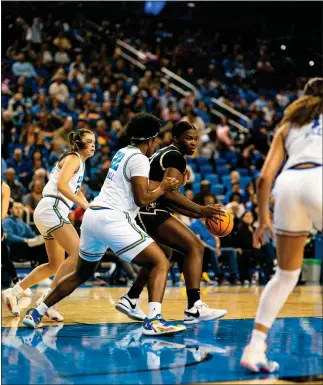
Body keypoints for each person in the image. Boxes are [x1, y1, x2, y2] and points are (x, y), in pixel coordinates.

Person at [22, 113, 185, 336]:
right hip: (113, 218)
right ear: (151, 139)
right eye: (155, 140)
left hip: (93, 216)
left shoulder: (122, 152)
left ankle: (37, 311)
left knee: (81, 273)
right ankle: (154, 320)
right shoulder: (138, 158)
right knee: (161, 262)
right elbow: (142, 198)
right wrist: (164, 188)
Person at [241, 78, 323, 372]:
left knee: (286, 275)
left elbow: (264, 178)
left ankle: (255, 347)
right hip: (319, 177)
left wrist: (264, 219)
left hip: (287, 185)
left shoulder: (287, 128)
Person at [116, 121, 227, 324]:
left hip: (143, 210)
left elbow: (170, 200)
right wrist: (201, 209)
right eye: (188, 138)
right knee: (195, 247)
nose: (193, 143)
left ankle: (131, 298)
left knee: (162, 255)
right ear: (175, 138)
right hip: (150, 211)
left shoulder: (165, 154)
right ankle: (194, 307)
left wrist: (200, 214)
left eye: (195, 139)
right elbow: (170, 196)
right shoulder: (175, 157)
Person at [3, 129, 95, 321]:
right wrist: (85, 206)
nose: (93, 144)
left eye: (94, 141)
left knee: (55, 264)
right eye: (89, 141)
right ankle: (48, 301)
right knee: (78, 254)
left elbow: (74, 189)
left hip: (48, 210)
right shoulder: (74, 158)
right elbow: (62, 186)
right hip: (53, 207)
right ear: (79, 144)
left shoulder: (78, 162)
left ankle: (14, 292)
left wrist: (88, 205)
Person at [1, 183, 32, 295]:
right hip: (13, 245)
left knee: (4, 257)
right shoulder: (9, 221)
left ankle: (16, 282)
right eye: (16, 208)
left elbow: (2, 214)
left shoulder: (4, 187)